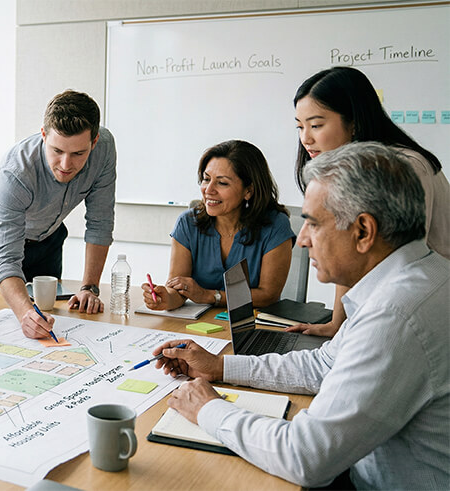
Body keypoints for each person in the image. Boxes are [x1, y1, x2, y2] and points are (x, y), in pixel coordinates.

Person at [152, 142, 449, 490]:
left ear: (363, 231)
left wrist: (208, 409)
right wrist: (219, 367)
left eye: (312, 223)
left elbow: (306, 458)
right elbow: (323, 366)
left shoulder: (394, 316)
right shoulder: (419, 276)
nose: (302, 241)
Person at [289, 66, 449, 337]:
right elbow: (351, 255)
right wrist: (336, 325)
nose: (306, 138)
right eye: (300, 127)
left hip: (427, 305)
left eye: (316, 125)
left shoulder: (402, 167)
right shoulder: (354, 170)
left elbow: (403, 262)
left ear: (354, 123)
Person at [0, 90, 116, 338]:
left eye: (78, 154)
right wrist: (25, 314)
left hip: (49, 235)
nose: (65, 164)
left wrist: (89, 288)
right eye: (57, 150)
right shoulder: (15, 172)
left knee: (50, 318)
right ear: (43, 135)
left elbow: (100, 222)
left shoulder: (104, 148)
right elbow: (7, 261)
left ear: (93, 142)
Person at [142, 140, 293, 311]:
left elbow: (268, 295)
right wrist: (166, 298)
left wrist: (209, 296)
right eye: (206, 179)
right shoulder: (188, 223)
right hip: (201, 325)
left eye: (222, 183)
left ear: (248, 191)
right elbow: (178, 290)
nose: (208, 189)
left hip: (254, 324)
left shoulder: (275, 226)